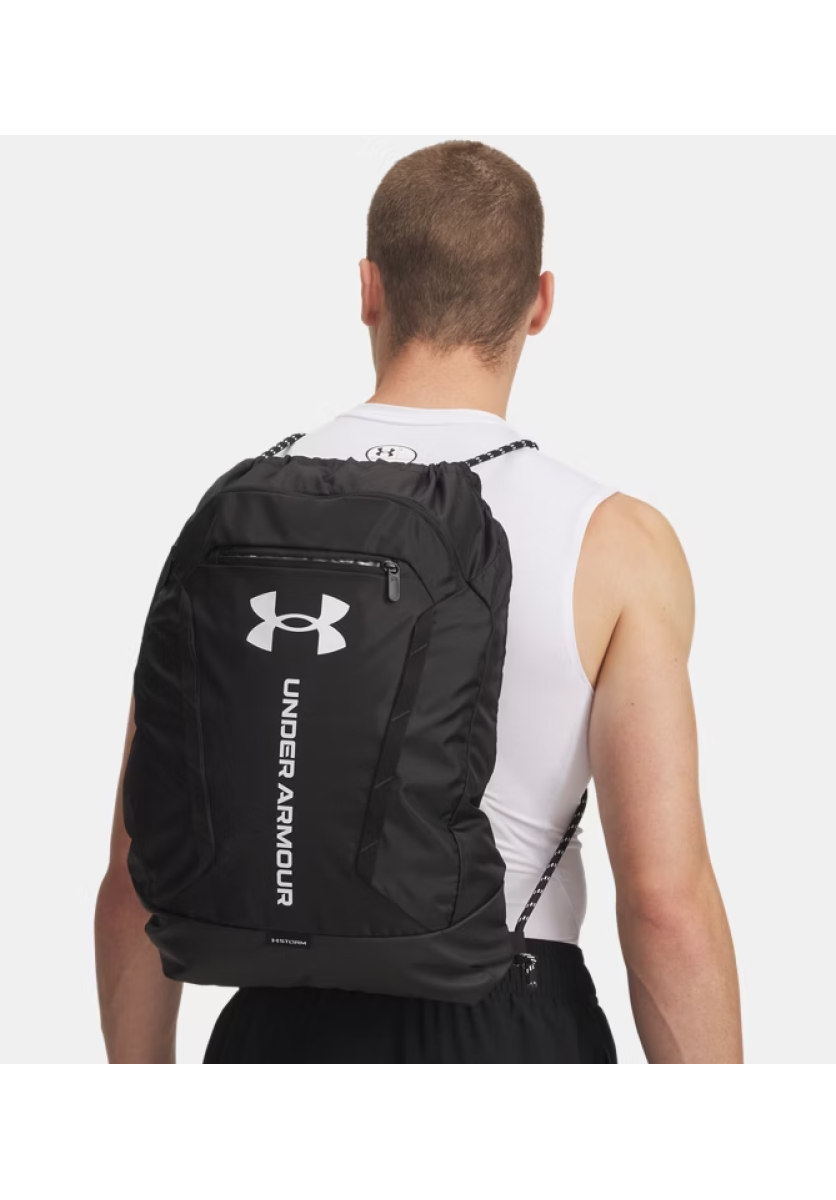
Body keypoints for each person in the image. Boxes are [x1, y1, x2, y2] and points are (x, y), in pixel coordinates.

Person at [95, 140, 743, 1064]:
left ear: (369, 288)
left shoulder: (236, 516)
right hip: (510, 1021)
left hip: (276, 1025)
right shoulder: (615, 541)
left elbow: (136, 871)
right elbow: (664, 903)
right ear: (540, 303)